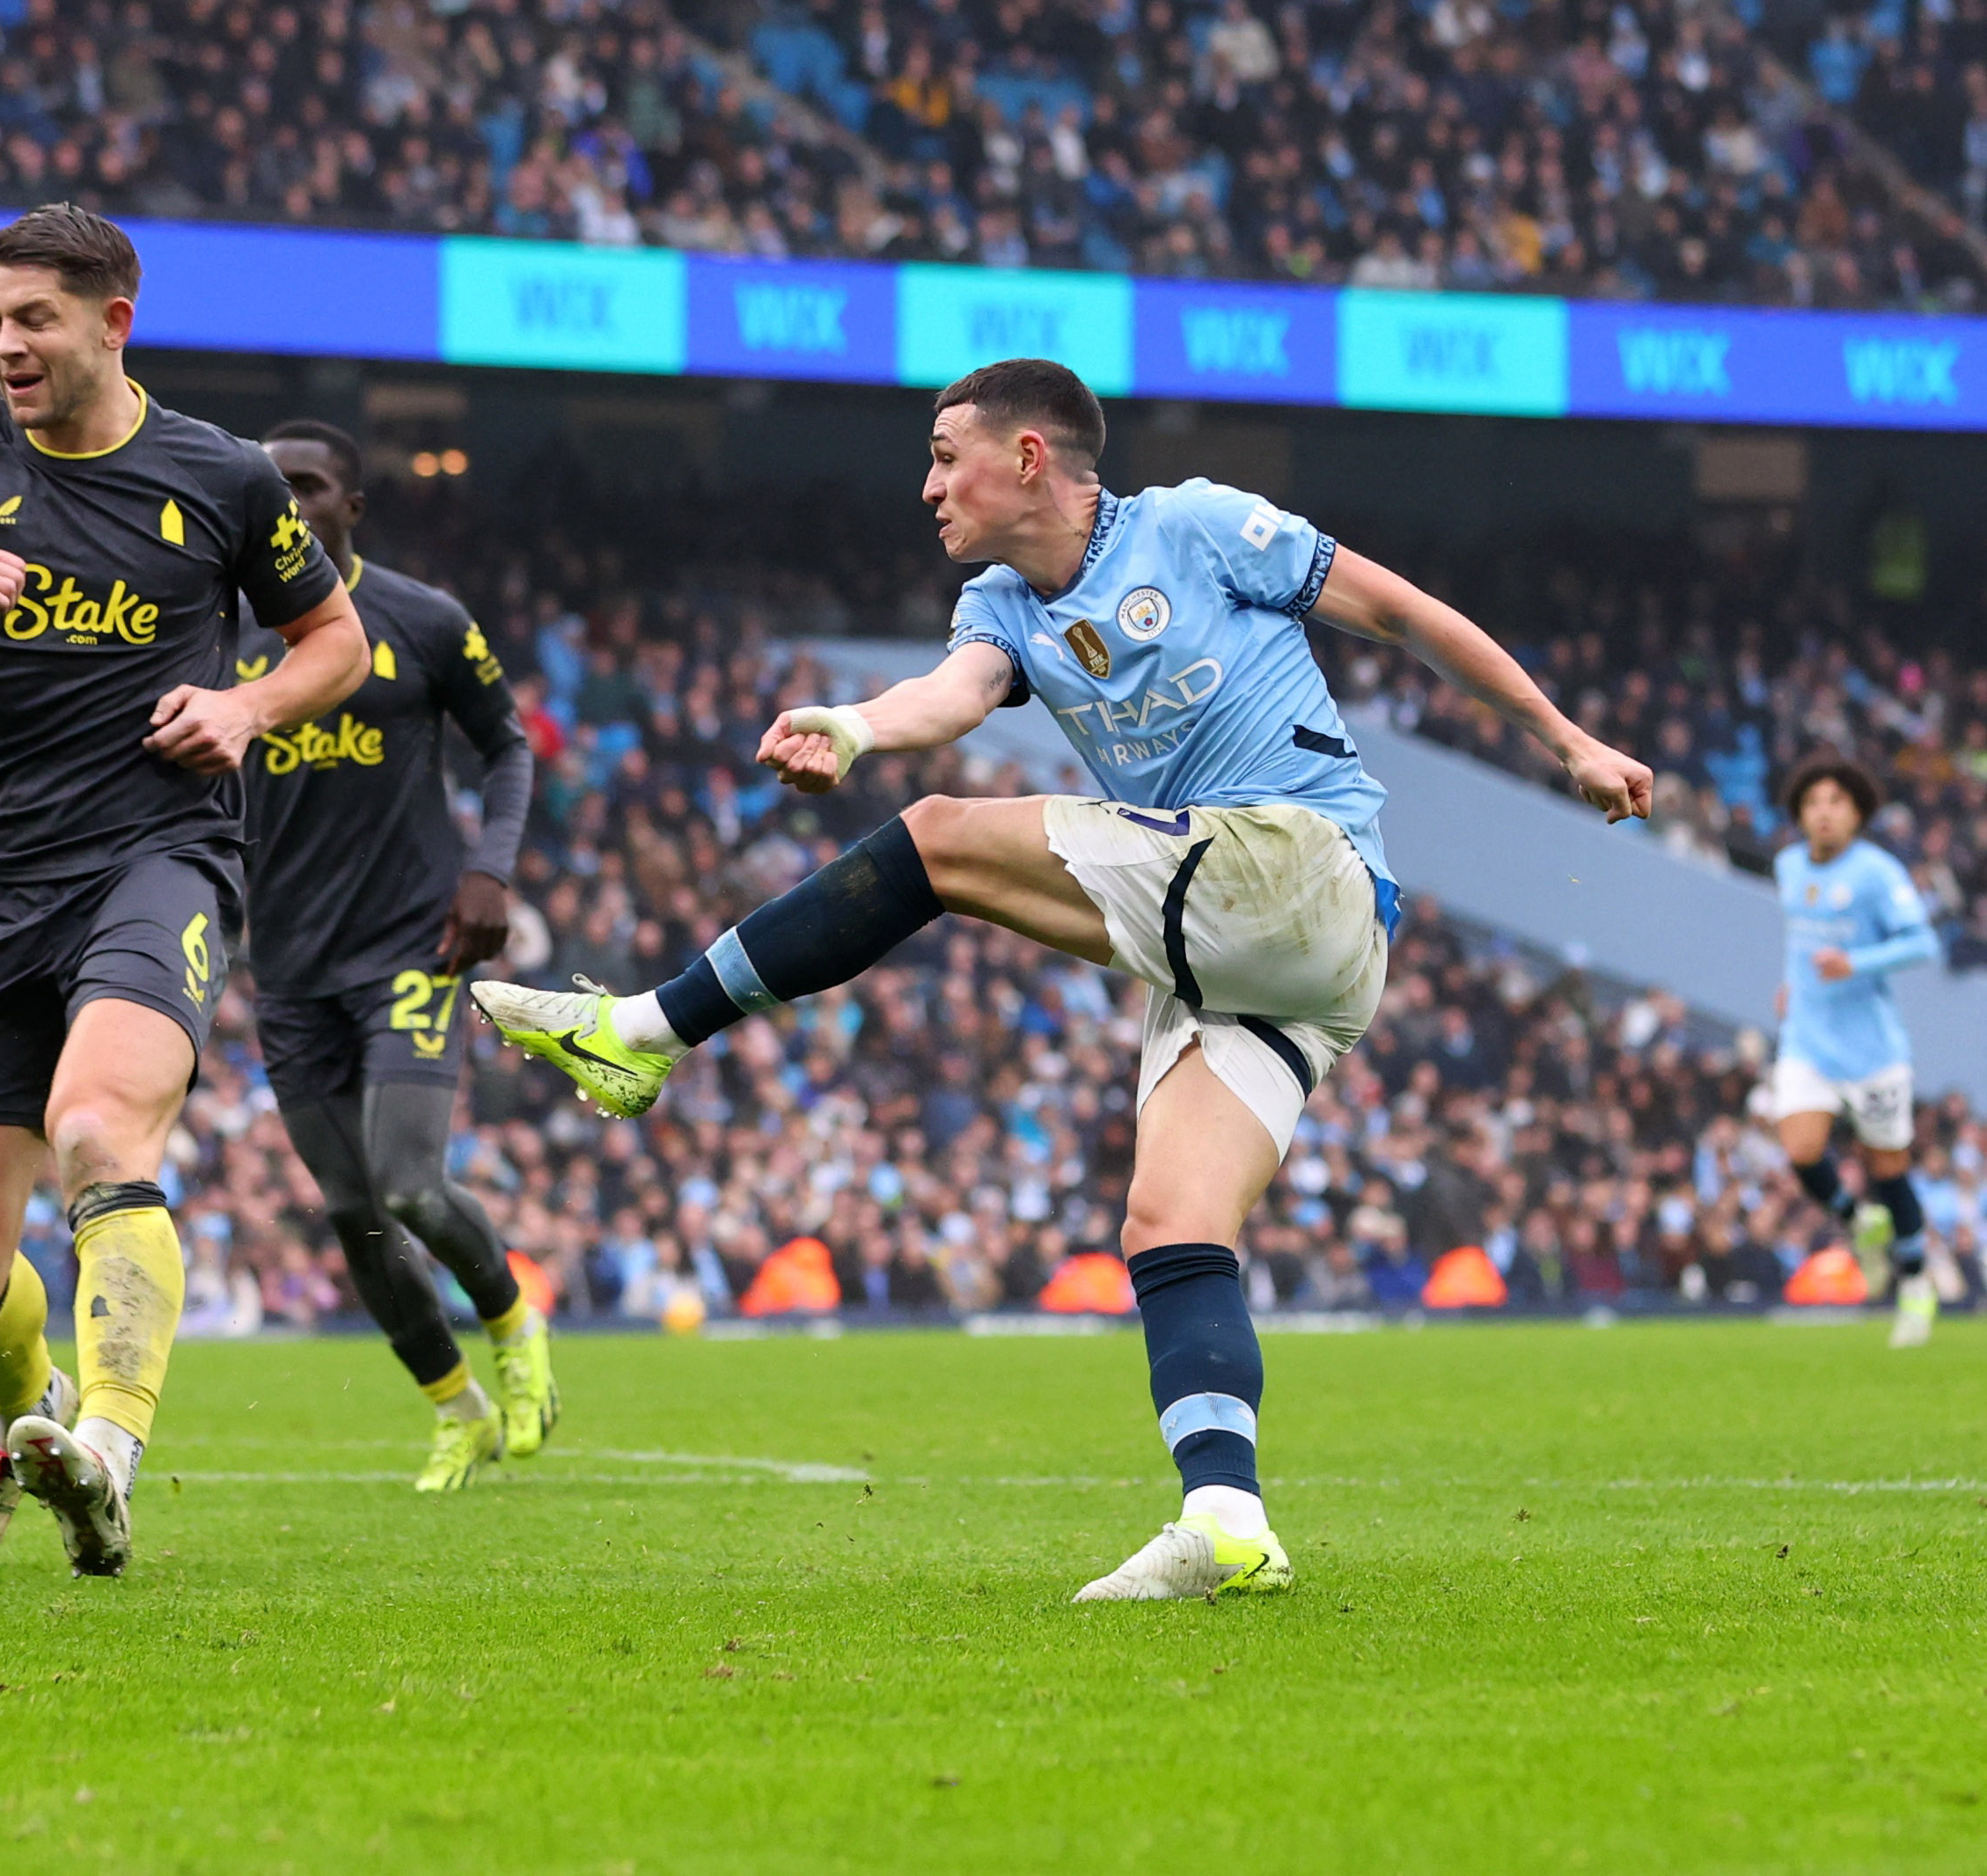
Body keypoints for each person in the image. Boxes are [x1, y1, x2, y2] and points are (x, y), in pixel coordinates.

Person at [472, 358, 1652, 1601]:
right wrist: (857, 725)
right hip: (1265, 951)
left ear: (1027, 457)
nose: (927, 485)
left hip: (1297, 861)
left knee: (934, 839)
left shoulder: (1196, 525)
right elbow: (952, 693)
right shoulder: (1003, 603)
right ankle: (1227, 1519)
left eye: (943, 455)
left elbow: (1401, 612)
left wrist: (1564, 740)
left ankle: (645, 1027)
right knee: (1171, 1222)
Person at [0, 203, 365, 1576]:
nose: (3, 344)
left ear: (113, 322)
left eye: (32, 319)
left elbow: (333, 642)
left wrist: (244, 710)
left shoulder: (222, 475)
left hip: (155, 853)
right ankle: (32, 1418)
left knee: (98, 1121)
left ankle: (108, 1447)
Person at [234, 418, 553, 1491]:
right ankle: (452, 1405)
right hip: (284, 960)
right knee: (349, 1211)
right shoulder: (214, 628)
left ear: (349, 508)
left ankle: (513, 1326)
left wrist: (490, 869)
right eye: (268, 485)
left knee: (410, 1186)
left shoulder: (418, 619)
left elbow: (506, 743)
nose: (287, 500)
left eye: (309, 484)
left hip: (412, 942)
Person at [1766, 754, 1947, 1346]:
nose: (1823, 812)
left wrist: (1856, 963)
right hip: (1808, 1040)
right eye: (1813, 802)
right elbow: (1802, 938)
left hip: (1871, 1049)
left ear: (1858, 813)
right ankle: (1855, 1218)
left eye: (1836, 803)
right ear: (1798, 812)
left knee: (1888, 1169)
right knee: (1800, 1147)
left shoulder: (1877, 873)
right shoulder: (1789, 866)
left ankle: (1916, 1286)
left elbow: (1922, 941)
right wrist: (1794, 983)